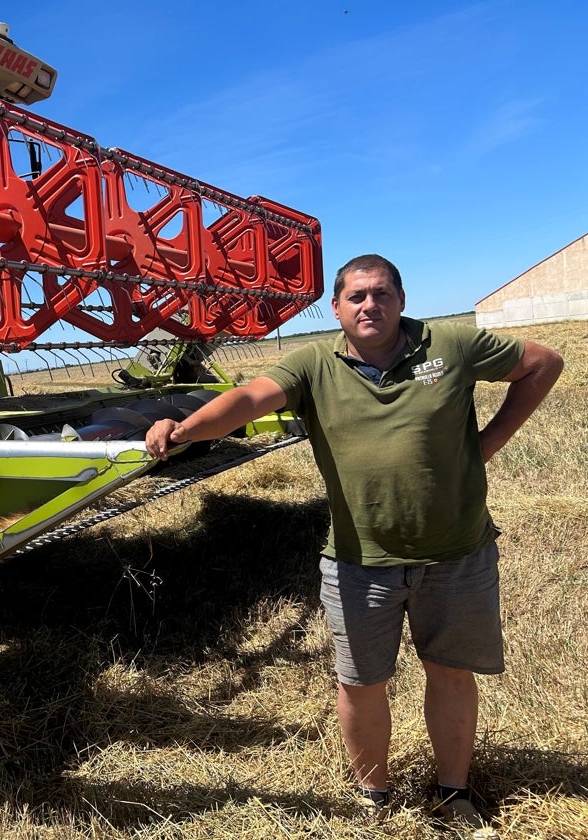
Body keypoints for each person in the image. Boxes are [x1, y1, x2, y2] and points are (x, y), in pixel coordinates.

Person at [146, 254, 563, 838]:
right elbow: (248, 399)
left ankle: (453, 794)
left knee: (450, 673)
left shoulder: (451, 345)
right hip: (357, 560)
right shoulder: (314, 363)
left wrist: (485, 444)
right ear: (337, 307)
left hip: (457, 553)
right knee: (361, 683)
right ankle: (374, 795)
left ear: (400, 298)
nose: (371, 305)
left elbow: (544, 362)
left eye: (382, 293)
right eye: (357, 297)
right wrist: (185, 429)